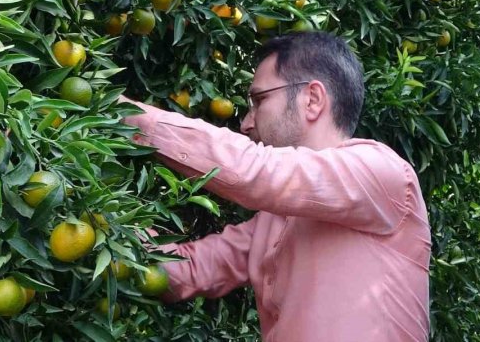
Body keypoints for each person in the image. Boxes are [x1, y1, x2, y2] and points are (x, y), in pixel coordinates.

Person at [119, 31, 431, 342]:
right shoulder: (270, 225)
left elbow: (253, 170)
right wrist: (108, 222)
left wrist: (121, 116)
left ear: (312, 100)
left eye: (259, 101)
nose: (245, 122)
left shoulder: (383, 173)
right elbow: (183, 273)